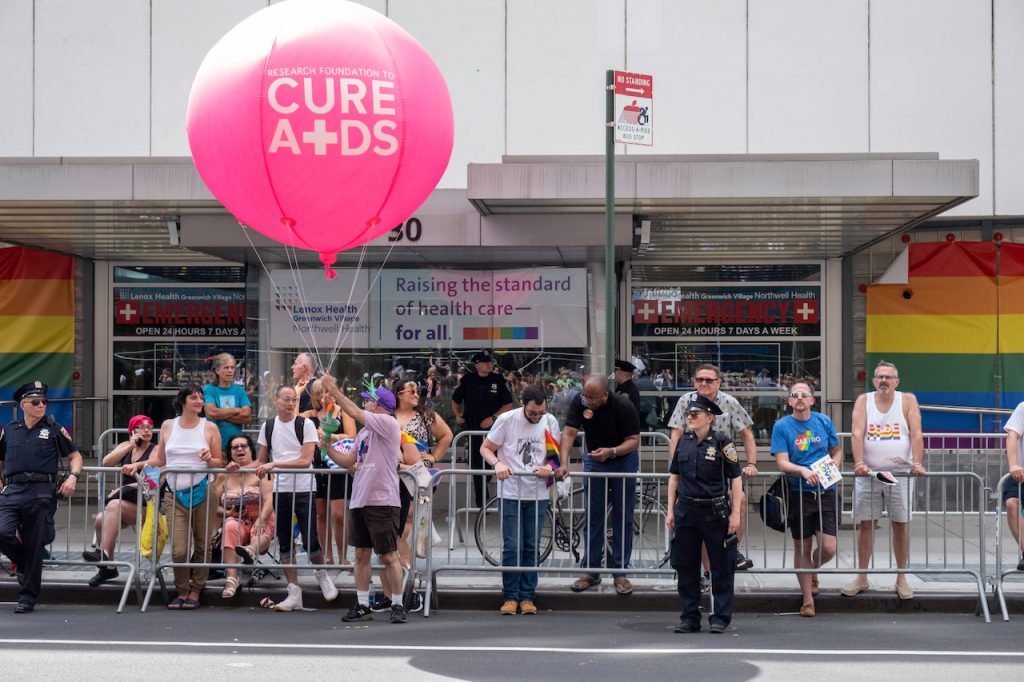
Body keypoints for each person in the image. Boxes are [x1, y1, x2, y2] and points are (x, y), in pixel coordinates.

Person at [319, 375, 412, 624]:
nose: (367, 405)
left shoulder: (387, 423)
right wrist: (327, 447)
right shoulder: (363, 435)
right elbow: (350, 463)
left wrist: (334, 391)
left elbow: (355, 413)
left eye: (370, 401)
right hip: (360, 499)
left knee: (388, 554)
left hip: (382, 500)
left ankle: (398, 603)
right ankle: (362, 604)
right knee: (361, 553)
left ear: (379, 404)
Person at [252, 384, 339, 611]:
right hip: (280, 489)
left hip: (304, 487)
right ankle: (293, 591)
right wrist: (236, 466)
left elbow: (305, 460)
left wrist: (274, 464)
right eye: (286, 399)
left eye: (294, 400)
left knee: (311, 539)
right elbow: (260, 460)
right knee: (284, 540)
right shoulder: (268, 426)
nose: (290, 403)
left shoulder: (306, 424)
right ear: (276, 400)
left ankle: (322, 576)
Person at [844, 361, 925, 600]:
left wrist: (917, 462)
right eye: (880, 377)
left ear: (896, 381)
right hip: (869, 473)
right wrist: (859, 462)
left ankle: (901, 577)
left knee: (900, 524)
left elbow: (917, 433)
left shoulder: (907, 400)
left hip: (899, 473)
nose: (884, 381)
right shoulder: (864, 401)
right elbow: (857, 433)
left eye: (889, 377)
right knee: (866, 524)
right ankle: (862, 576)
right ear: (873, 381)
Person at [0, 381, 83, 613]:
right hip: (13, 489)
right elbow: (1, 459)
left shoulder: (54, 429)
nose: (41, 405)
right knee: (2, 532)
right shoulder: (10, 429)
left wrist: (73, 477)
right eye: (35, 402)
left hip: (40, 491)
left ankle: (27, 596)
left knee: (34, 543)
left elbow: (75, 456)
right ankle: (26, 565)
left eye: (44, 402)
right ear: (23, 405)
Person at [667, 364, 758, 570]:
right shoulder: (685, 401)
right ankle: (705, 570)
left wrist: (751, 463)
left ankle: (732, 550)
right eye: (700, 379)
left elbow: (746, 434)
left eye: (709, 380)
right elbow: (676, 435)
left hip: (722, 469)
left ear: (718, 382)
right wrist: (677, 466)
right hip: (692, 468)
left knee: (739, 502)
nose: (704, 383)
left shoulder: (729, 402)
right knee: (698, 516)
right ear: (694, 381)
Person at [373, 379, 453, 611]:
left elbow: (446, 435)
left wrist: (435, 457)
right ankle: (389, 592)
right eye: (411, 391)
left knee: (409, 521)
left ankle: (409, 584)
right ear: (398, 393)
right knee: (389, 526)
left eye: (417, 390)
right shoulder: (387, 415)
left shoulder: (427, 415)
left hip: (419, 477)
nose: (416, 394)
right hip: (391, 477)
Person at [480, 385, 560, 615]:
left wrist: (549, 466)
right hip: (511, 492)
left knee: (531, 546)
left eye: (541, 413)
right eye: (533, 413)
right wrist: (497, 464)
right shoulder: (507, 420)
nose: (537, 417)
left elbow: (555, 456)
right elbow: (486, 448)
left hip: (537, 493)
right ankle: (510, 596)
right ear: (523, 404)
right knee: (512, 546)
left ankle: (527, 596)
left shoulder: (550, 421)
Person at [557, 376, 641, 595]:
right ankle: (591, 570)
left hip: (622, 459)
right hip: (594, 459)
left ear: (605, 395)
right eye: (585, 396)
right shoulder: (580, 401)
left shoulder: (623, 404)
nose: (588, 402)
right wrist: (564, 462)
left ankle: (620, 572)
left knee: (623, 515)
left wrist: (612, 451)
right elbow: (569, 432)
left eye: (593, 398)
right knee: (594, 514)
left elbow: (634, 439)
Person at [667, 395, 742, 633]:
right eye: (688, 414)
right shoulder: (684, 441)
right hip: (687, 509)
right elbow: (674, 477)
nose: (690, 418)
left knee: (721, 566)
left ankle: (720, 617)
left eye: (695, 414)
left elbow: (736, 479)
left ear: (709, 418)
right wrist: (670, 510)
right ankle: (689, 617)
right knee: (686, 565)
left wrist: (736, 514)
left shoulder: (723, 442)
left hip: (714, 510)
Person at [144, 383, 222, 610]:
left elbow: (219, 463)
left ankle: (196, 590)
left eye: (201, 398)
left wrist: (209, 458)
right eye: (194, 398)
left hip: (203, 490)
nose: (199, 402)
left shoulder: (210, 428)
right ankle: (182, 590)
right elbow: (159, 460)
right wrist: (138, 465)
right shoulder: (168, 426)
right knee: (178, 549)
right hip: (173, 493)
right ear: (183, 401)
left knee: (203, 545)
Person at [770, 380, 843, 618]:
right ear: (789, 401)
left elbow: (837, 449)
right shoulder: (782, 426)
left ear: (812, 400)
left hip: (826, 490)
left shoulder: (823, 421)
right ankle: (808, 600)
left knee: (829, 547)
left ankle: (811, 571)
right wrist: (802, 470)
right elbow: (781, 461)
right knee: (802, 544)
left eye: (804, 394)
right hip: (798, 491)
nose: (799, 398)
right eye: (795, 395)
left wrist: (835, 464)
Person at [84, 414, 156, 587]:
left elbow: (152, 484)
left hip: (147, 504)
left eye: (149, 427)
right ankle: (108, 567)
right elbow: (106, 461)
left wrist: (123, 488)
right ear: (133, 430)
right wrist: (129, 446)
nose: (146, 430)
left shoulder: (155, 450)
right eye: (142, 427)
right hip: (124, 503)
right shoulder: (127, 446)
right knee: (100, 519)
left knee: (113, 504)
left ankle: (104, 554)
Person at [304, 379, 357, 570]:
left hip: (337, 466)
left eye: (332, 391)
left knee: (339, 515)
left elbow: (351, 435)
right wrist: (300, 388)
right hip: (317, 465)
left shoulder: (343, 412)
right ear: (317, 395)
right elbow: (292, 417)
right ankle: (327, 556)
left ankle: (343, 556)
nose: (330, 394)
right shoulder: (310, 416)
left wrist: (331, 436)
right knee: (320, 513)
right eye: (324, 392)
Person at [451, 350, 514, 510]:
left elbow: (508, 405)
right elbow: (455, 400)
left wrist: (493, 418)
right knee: (477, 466)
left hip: (494, 430)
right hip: (473, 429)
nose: (489, 364)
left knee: (491, 464)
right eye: (485, 362)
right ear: (477, 365)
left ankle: (491, 497)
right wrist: (458, 414)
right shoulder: (468, 380)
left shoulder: (498, 380)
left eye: (490, 362)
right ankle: (482, 503)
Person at [215, 433, 274, 598]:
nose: (239, 449)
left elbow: (269, 500)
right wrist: (228, 513)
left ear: (251, 451)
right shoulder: (223, 475)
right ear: (230, 452)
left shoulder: (261, 471)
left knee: (259, 530)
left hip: (262, 516)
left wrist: (260, 521)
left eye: (243, 446)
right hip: (237, 519)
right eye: (235, 447)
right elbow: (211, 506)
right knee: (229, 526)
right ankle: (232, 579)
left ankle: (250, 550)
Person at [203, 352, 252, 448]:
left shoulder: (240, 390)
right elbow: (211, 413)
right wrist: (236, 410)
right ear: (217, 370)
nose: (230, 371)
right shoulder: (209, 389)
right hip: (215, 447)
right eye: (226, 367)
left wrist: (220, 414)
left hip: (236, 447)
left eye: (232, 367)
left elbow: (247, 417)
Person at [1001, 399, 1024, 571]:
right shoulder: (1023, 408)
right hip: (1022, 473)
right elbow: (1013, 434)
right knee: (1011, 504)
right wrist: (1014, 465)